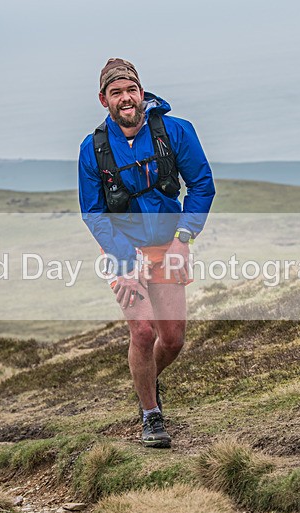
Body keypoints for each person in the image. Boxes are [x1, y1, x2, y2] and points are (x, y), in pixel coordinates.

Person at [78, 58, 215, 448]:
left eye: (131, 90)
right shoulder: (93, 149)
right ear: (103, 99)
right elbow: (94, 213)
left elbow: (202, 185)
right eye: (116, 92)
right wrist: (124, 263)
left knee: (171, 340)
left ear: (142, 92)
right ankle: (151, 414)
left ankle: (146, 384)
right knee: (143, 330)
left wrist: (183, 239)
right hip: (123, 250)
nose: (125, 98)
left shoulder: (176, 132)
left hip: (168, 244)